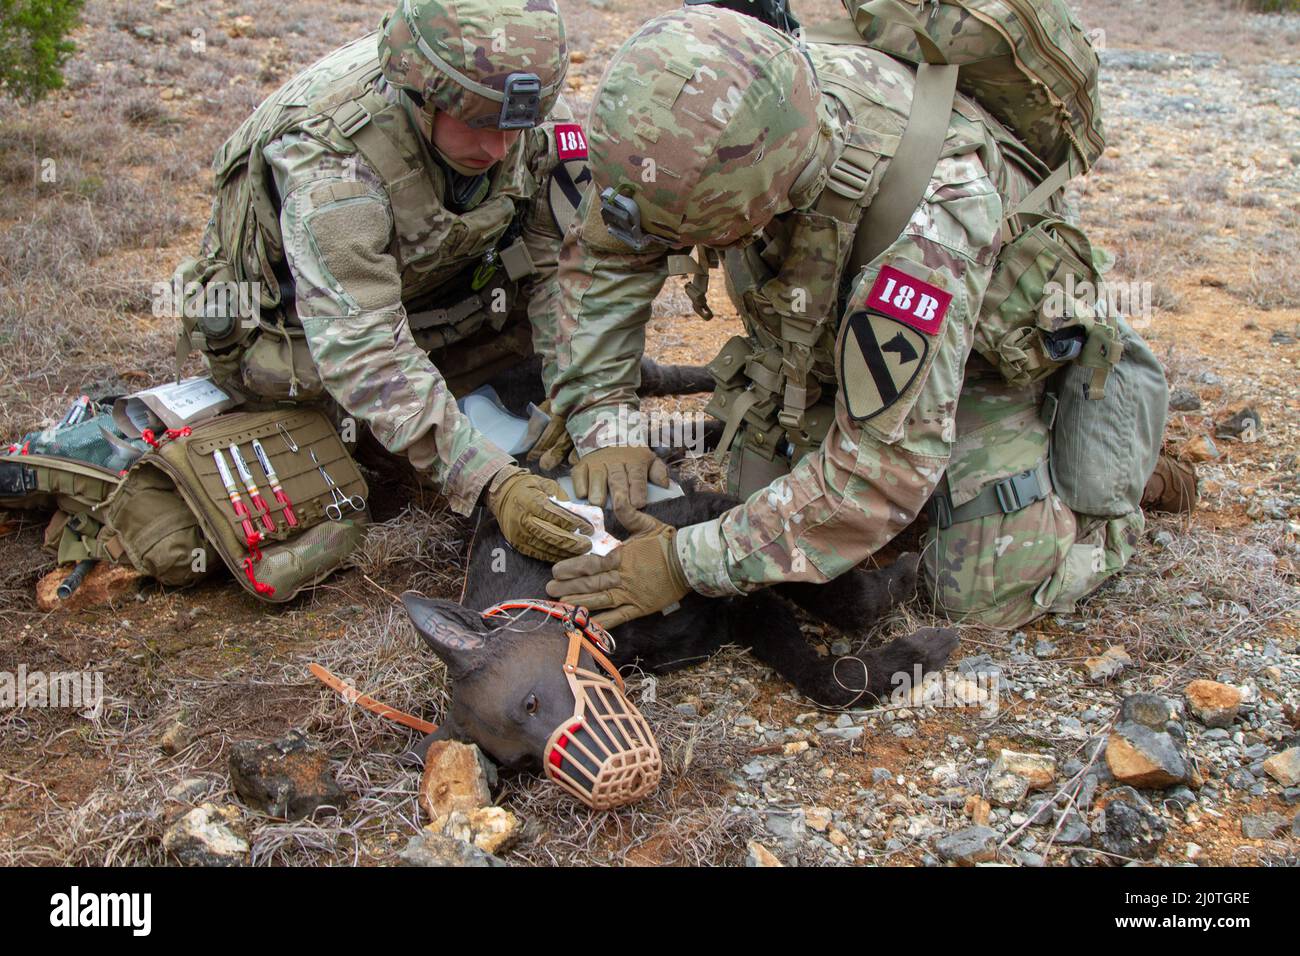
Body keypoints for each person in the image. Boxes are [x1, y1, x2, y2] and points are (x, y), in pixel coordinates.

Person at [545, 5, 1192, 629]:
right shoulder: (688, 135)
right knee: (760, 521)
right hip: (834, 334)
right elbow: (610, 253)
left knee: (977, 588)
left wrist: (684, 564)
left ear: (764, 203)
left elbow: (882, 471)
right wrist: (605, 418)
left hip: (983, 358)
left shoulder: (929, 225)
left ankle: (1106, 476)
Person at [172, 0, 594, 562]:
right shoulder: (333, 162)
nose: (499, 149)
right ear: (423, 96)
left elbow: (554, 270)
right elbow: (363, 350)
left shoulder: (525, 114)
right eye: (479, 126)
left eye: (514, 128)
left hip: (422, 290)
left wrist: (579, 393)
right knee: (348, 451)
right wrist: (492, 481)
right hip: (291, 326)